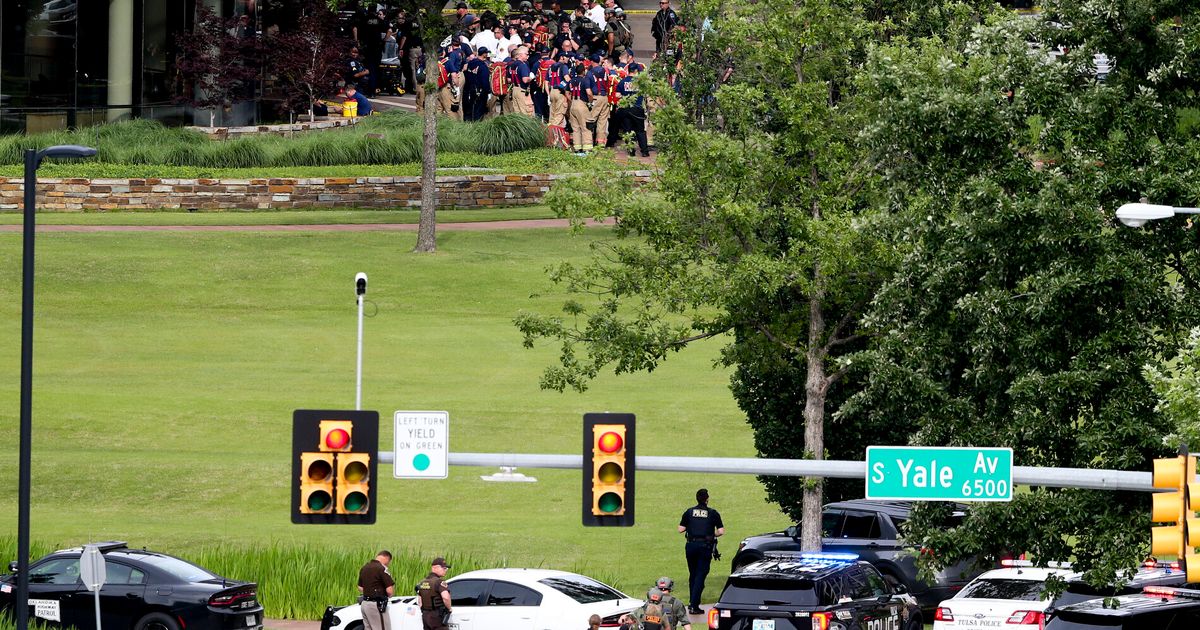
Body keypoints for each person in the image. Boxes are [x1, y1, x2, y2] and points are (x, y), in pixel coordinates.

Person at [678, 488, 723, 615]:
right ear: (707, 499)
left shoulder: (689, 512)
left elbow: (680, 529)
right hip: (705, 547)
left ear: (697, 498)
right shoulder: (713, 513)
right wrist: (710, 534)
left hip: (691, 546)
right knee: (700, 575)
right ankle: (693, 605)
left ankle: (693, 603)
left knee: (693, 574)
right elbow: (721, 531)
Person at [357, 551, 394, 630]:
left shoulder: (364, 568)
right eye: (389, 562)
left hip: (365, 604)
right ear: (387, 558)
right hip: (376, 605)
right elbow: (389, 591)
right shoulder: (382, 568)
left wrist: (370, 592)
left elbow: (360, 587)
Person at [417, 557, 453, 630]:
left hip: (425, 615)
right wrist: (449, 608)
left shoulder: (423, 582)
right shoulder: (439, 582)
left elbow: (420, 600)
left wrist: (424, 610)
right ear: (435, 568)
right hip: (437, 616)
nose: (445, 570)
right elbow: (446, 597)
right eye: (444, 568)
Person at [463, 47, 492, 121]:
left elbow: (467, 73)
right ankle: (476, 126)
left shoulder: (471, 62)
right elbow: (485, 81)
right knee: (479, 111)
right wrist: (488, 91)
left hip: (469, 89)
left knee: (471, 108)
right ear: (484, 54)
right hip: (480, 91)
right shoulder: (483, 66)